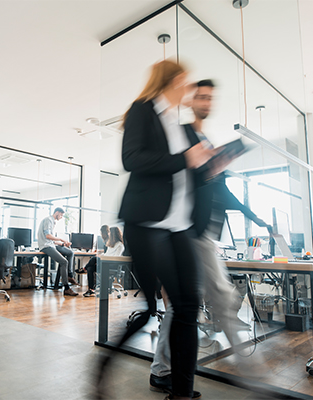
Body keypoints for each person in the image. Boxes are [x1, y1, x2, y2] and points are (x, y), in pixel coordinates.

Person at [95, 59, 215, 400]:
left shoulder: (177, 124)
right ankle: (103, 364)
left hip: (179, 227)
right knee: (150, 309)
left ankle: (181, 393)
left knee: (188, 306)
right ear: (173, 81)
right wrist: (185, 159)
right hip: (147, 223)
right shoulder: (142, 111)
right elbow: (132, 159)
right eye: (185, 82)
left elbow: (185, 173)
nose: (189, 90)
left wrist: (209, 166)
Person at [149, 79, 269, 394]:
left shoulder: (203, 137)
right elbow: (185, 177)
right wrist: (214, 163)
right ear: (190, 101)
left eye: (209, 97)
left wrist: (253, 216)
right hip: (190, 231)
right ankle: (249, 370)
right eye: (200, 96)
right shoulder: (186, 133)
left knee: (183, 305)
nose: (206, 101)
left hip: (202, 233)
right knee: (220, 295)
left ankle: (162, 370)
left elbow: (221, 190)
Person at [37, 207, 78, 296]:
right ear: (57, 213)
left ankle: (70, 275)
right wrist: (61, 239)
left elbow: (51, 240)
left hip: (51, 244)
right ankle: (66, 288)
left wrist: (63, 244)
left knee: (70, 252)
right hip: (46, 246)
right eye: (61, 215)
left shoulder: (52, 221)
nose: (61, 217)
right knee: (64, 262)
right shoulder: (48, 220)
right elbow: (48, 236)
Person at [82, 226, 125, 297]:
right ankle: (91, 289)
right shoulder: (111, 244)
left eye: (110, 233)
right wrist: (102, 255)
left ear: (114, 234)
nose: (109, 234)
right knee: (90, 268)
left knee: (93, 259)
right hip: (105, 262)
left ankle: (84, 269)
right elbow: (107, 254)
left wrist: (102, 257)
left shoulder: (120, 245)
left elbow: (116, 257)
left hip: (111, 265)